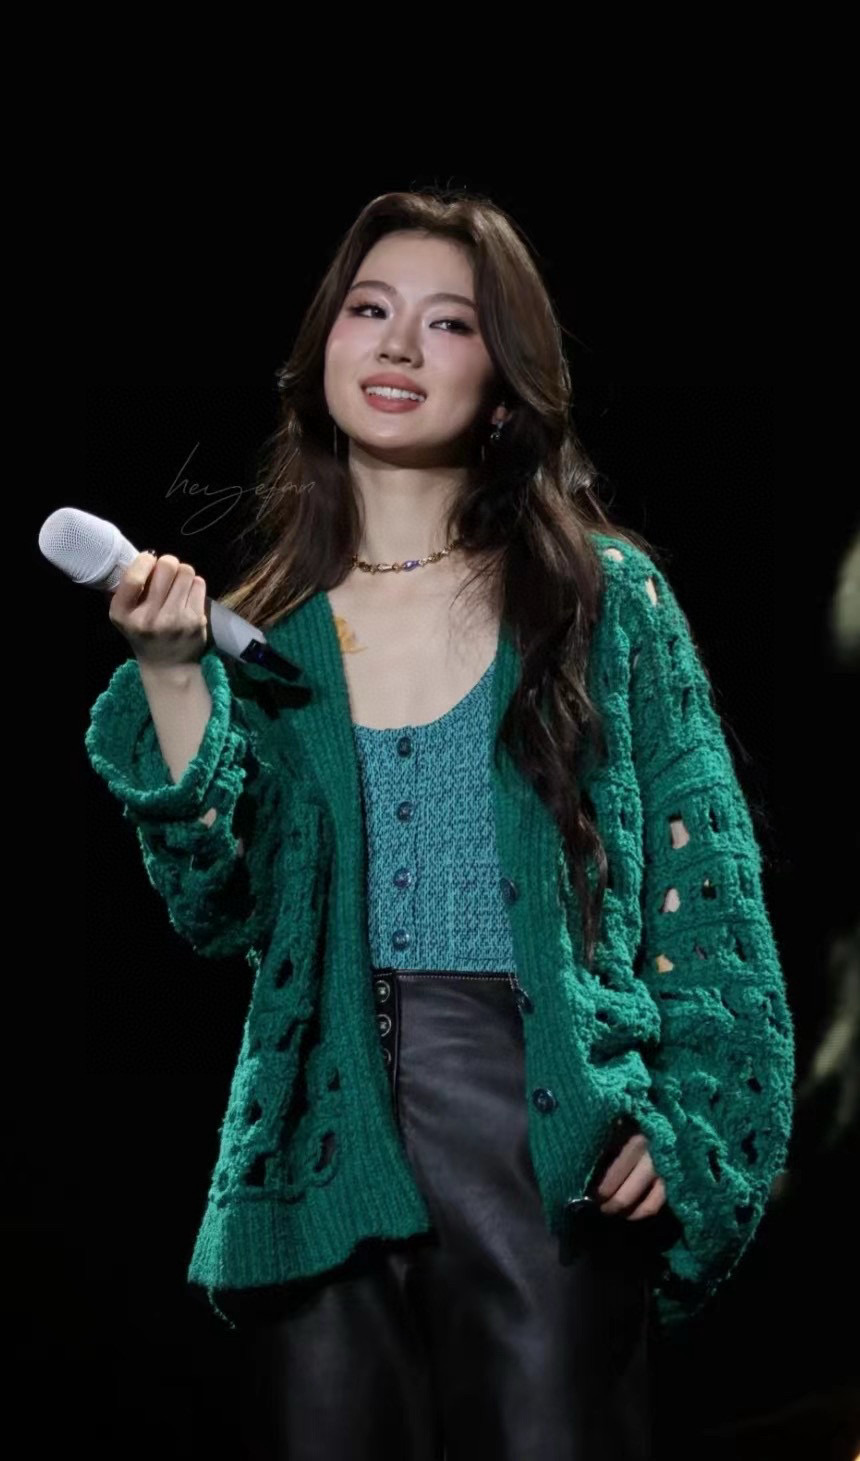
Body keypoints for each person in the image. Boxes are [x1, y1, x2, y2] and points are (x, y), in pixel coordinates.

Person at [85, 190, 795, 1460]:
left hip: (541, 1133)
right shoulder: (259, 634)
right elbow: (217, 907)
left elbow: (710, 907)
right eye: (369, 310)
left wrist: (686, 1118)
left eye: (450, 322)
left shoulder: (597, 599)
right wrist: (171, 673)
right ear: (323, 349)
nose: (399, 346)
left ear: (506, 385)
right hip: (320, 1130)